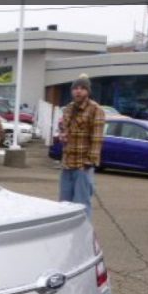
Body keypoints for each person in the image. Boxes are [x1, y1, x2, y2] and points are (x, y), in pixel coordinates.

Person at [58, 74, 105, 219]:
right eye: (75, 88)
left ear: (88, 91)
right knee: (64, 205)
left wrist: (89, 162)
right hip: (67, 164)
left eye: (82, 88)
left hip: (82, 166)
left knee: (81, 205)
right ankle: (67, 232)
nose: (78, 91)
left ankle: (84, 232)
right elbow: (64, 129)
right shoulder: (68, 108)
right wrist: (62, 135)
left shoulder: (96, 110)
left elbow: (97, 139)